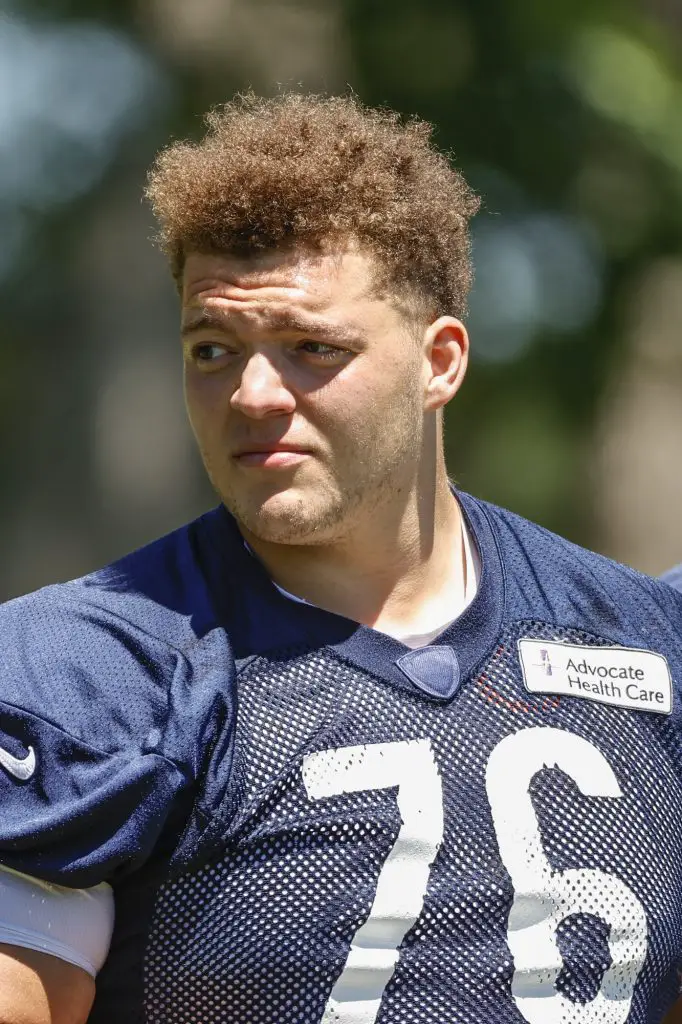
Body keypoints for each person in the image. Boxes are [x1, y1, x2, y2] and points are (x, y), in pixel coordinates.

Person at [1, 92, 682, 1024]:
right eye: (212, 348)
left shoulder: (648, 641)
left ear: (440, 362)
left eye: (311, 348)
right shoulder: (92, 673)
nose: (251, 394)